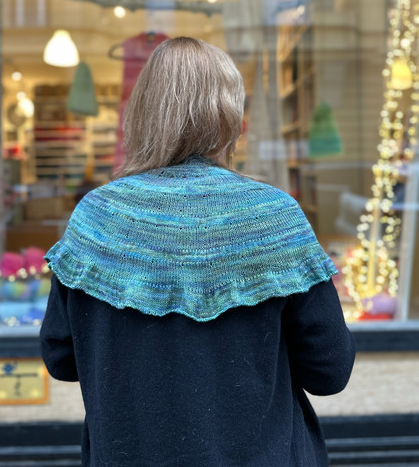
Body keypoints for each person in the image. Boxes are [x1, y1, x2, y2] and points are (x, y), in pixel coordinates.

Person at [40, 36, 355, 467]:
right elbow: (329, 371)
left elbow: (61, 359)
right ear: (230, 117)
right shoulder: (273, 217)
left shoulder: (96, 217)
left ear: (141, 114)